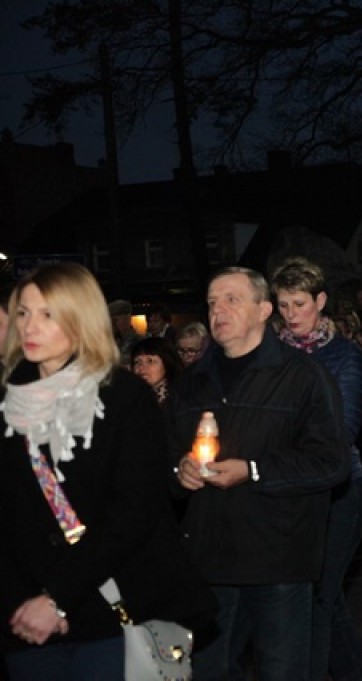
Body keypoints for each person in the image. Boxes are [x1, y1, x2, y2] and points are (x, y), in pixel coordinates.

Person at [0, 263, 215, 680]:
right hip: (25, 620)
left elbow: (134, 511)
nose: (31, 325)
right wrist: (27, 603)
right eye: (23, 313)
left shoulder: (122, 398)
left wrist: (59, 598)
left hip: (112, 609)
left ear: (80, 319)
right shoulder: (8, 401)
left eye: (48, 314)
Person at [167, 266, 350, 680]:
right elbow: (166, 461)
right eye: (213, 302)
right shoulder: (192, 383)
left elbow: (331, 462)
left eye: (232, 299)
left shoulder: (303, 377)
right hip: (210, 560)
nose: (219, 310)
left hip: (278, 559)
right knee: (210, 671)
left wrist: (252, 471)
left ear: (265, 309)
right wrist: (179, 471)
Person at [270, 257, 362, 681]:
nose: (291, 314)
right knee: (322, 603)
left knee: (319, 601)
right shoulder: (269, 352)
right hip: (288, 494)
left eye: (299, 303)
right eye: (283, 305)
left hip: (338, 493)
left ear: (321, 301)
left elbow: (341, 431)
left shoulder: (345, 356)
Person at [131, 335, 184, 406]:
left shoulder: (180, 398)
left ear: (167, 363)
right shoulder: (131, 398)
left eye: (150, 361)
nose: (141, 367)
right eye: (137, 361)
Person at [107, 299, 139, 367]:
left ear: (128, 319)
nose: (113, 324)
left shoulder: (138, 342)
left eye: (116, 320)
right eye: (111, 321)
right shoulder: (108, 342)